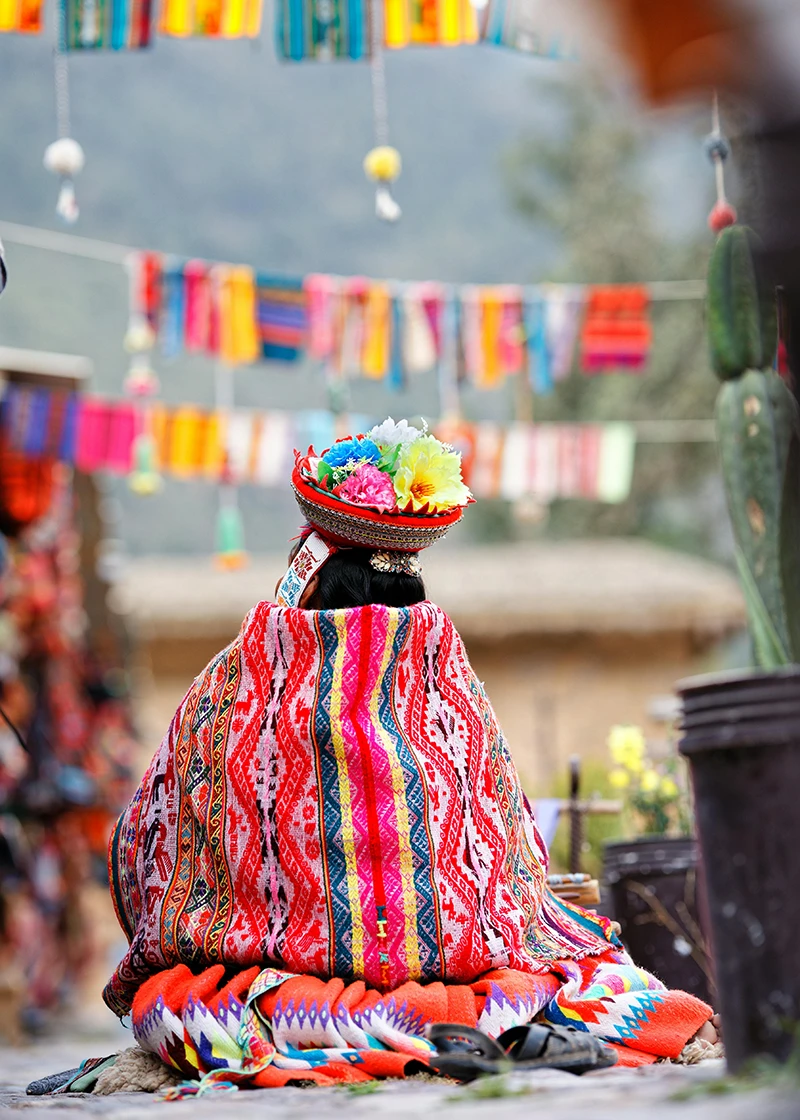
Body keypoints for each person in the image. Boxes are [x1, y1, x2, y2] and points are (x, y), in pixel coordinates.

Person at [103, 419, 718, 1093]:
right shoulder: (449, 685)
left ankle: (389, 1031)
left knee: (182, 1009)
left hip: (278, 999)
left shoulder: (231, 684)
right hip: (466, 975)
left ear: (308, 576)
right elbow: (507, 856)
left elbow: (148, 840)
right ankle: (487, 1027)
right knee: (588, 986)